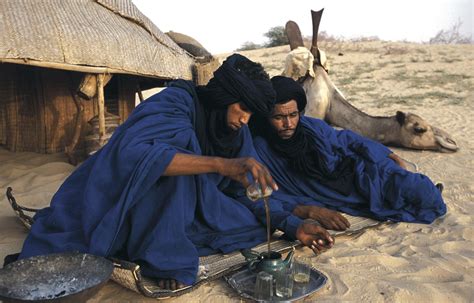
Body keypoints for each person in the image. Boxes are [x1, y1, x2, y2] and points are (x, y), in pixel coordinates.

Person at [17, 55, 333, 290]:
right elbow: (136, 157)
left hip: (184, 205)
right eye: (243, 109)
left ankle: (163, 240)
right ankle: (162, 255)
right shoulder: (176, 102)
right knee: (176, 168)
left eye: (252, 114)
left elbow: (245, 193)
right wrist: (223, 165)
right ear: (225, 98)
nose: (245, 120)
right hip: (117, 192)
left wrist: (291, 224)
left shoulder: (237, 134)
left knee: (247, 222)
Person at [249, 76, 446, 231]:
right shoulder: (260, 148)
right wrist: (310, 211)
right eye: (278, 117)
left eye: (293, 115)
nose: (289, 124)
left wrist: (386, 154)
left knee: (419, 189)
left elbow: (345, 139)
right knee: (408, 196)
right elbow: (269, 195)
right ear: (267, 117)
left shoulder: (310, 126)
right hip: (332, 192)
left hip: (355, 169)